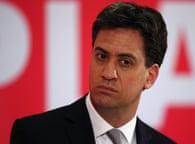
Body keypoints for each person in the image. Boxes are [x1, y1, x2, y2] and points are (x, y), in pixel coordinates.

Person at [10, 2, 176, 144]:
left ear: (150, 77)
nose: (108, 73)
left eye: (125, 62)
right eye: (102, 56)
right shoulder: (35, 135)